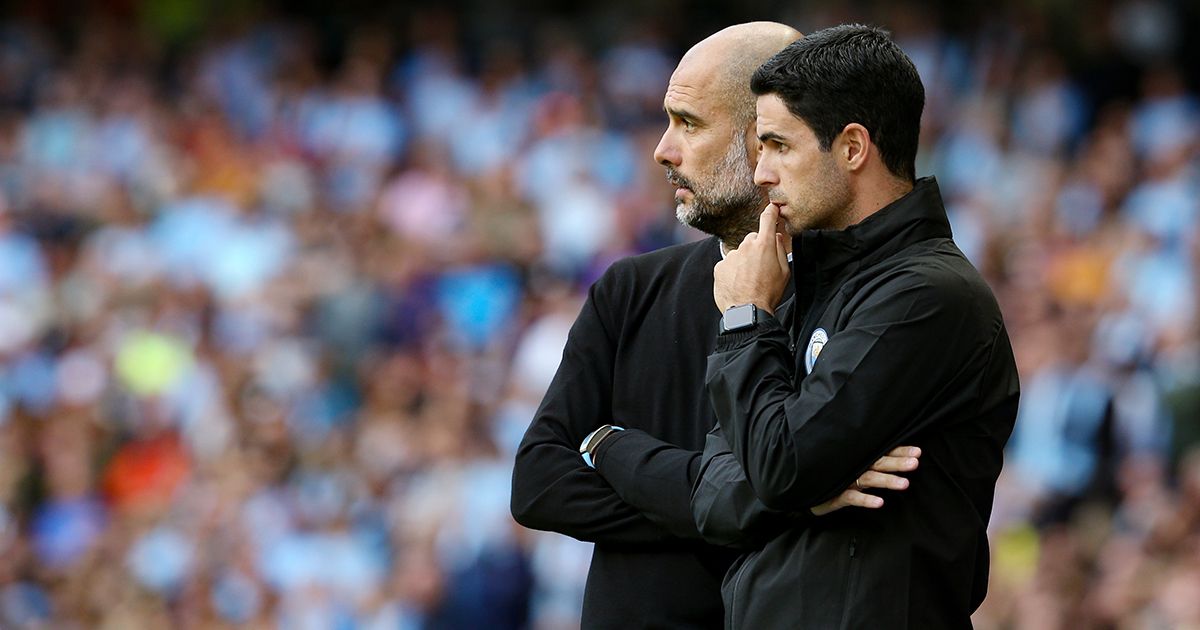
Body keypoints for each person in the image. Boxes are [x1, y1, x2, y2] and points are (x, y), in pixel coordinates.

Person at [510, 22, 922, 629]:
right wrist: (771, 506)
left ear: (765, 140)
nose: (662, 149)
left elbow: (866, 505)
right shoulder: (629, 289)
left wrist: (623, 460)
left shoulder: (862, 303)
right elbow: (540, 483)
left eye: (689, 123)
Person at [696, 24, 1020, 628]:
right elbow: (712, 495)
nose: (760, 173)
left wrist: (744, 321)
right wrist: (805, 501)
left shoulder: (927, 296)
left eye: (777, 145)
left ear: (851, 147)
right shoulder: (802, 281)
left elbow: (778, 465)